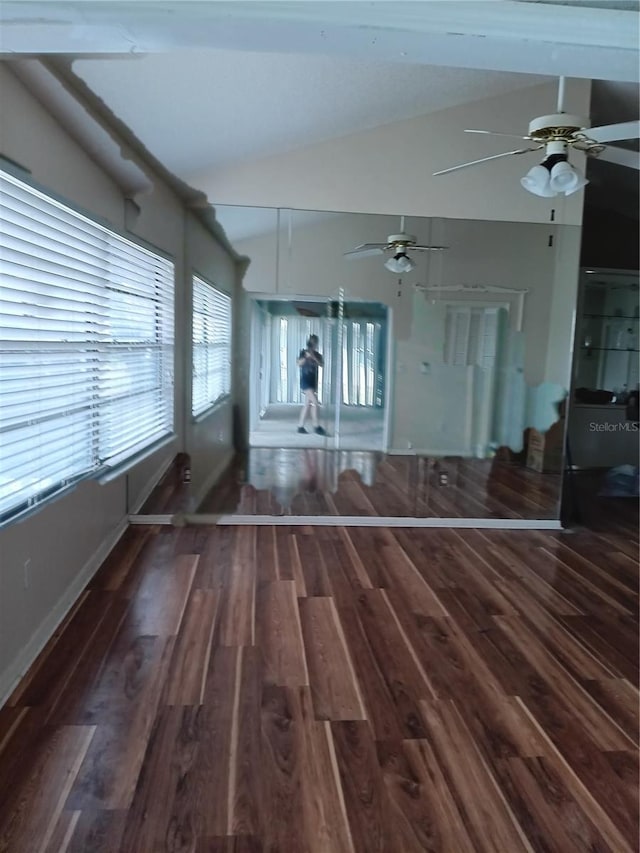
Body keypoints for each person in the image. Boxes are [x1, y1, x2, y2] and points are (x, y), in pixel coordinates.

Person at [297, 334, 326, 435]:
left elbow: (322, 364)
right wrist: (306, 357)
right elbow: (299, 364)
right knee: (315, 402)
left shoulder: (318, 355)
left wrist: (313, 357)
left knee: (308, 405)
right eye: (312, 342)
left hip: (313, 382)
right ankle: (316, 426)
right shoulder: (303, 352)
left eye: (315, 343)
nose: (313, 345)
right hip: (305, 381)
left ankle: (300, 426)